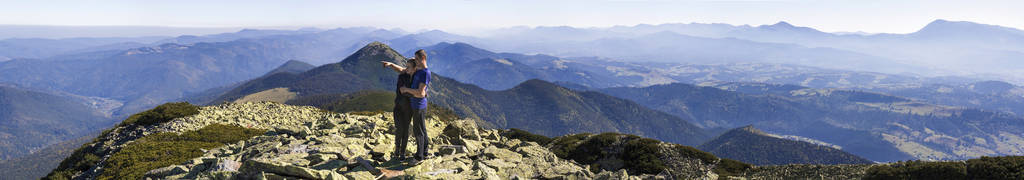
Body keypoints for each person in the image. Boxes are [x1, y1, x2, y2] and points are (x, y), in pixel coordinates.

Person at [381, 58, 417, 162]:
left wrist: (411, 92)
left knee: (406, 130)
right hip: (399, 107)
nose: (406, 68)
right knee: (399, 128)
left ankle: (402, 152)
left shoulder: (416, 77)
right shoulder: (402, 76)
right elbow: (402, 91)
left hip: (409, 109)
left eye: (408, 67)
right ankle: (397, 149)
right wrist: (416, 93)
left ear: (415, 68)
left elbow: (407, 91)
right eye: (406, 66)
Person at [400, 49, 431, 164]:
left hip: (418, 106)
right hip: (417, 105)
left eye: (417, 59)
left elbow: (421, 93)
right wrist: (391, 65)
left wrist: (406, 89)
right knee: (422, 129)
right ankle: (425, 152)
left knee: (418, 131)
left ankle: (419, 157)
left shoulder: (425, 73)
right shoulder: (418, 70)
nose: (415, 61)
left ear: (422, 58)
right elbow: (405, 69)